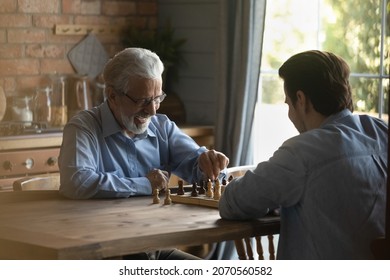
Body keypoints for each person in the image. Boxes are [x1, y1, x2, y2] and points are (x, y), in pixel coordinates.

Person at [58, 47, 229, 260]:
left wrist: (210, 164)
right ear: (112, 95)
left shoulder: (162, 127)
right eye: (142, 100)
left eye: (157, 98)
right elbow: (77, 182)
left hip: (154, 248)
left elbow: (197, 165)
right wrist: (145, 184)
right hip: (103, 254)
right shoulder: (84, 127)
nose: (153, 111)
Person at [219, 50, 387, 259]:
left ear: (301, 99)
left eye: (288, 103)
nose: (290, 112)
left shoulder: (302, 151)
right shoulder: (381, 131)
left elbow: (232, 203)